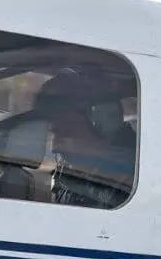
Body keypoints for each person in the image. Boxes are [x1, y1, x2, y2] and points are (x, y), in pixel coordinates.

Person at [33, 69, 137, 209]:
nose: (54, 147)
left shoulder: (132, 182)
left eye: (68, 132)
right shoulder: (68, 169)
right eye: (54, 132)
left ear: (101, 124)